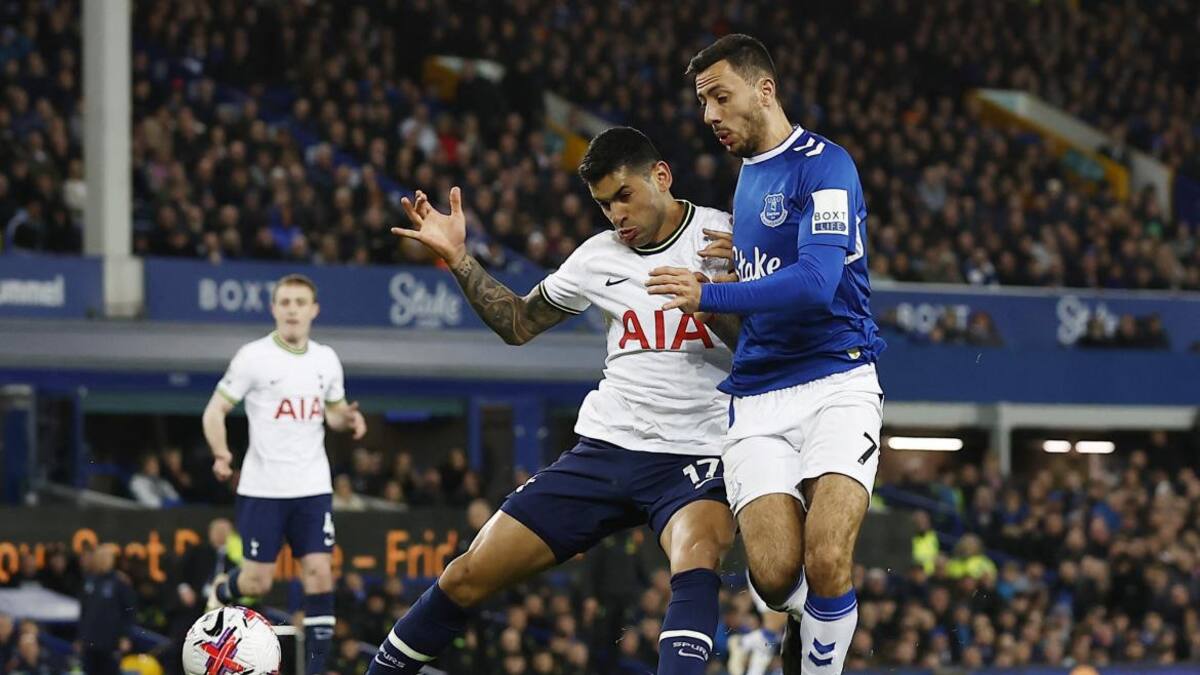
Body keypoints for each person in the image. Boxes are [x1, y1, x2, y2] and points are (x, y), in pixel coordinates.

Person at [367, 127, 738, 675]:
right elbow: (518, 324)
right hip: (607, 449)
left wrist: (713, 301)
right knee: (465, 575)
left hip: (699, 452)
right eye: (604, 204)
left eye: (624, 196)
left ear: (661, 176)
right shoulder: (596, 258)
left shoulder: (728, 236)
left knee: (697, 557)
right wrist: (459, 260)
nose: (617, 215)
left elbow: (779, 341)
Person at [647, 35, 886, 673]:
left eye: (720, 98)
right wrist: (741, 261)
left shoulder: (827, 165)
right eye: (703, 104)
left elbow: (817, 282)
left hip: (837, 379)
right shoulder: (749, 175)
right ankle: (810, 620)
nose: (710, 117)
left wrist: (713, 291)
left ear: (765, 89)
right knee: (778, 579)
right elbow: (777, 268)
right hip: (756, 396)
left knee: (828, 557)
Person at [201, 273, 367, 674]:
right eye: (285, 302)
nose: (293, 309)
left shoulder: (326, 359)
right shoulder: (253, 357)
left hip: (312, 486)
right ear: (274, 309)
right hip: (264, 488)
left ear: (314, 310)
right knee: (257, 582)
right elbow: (214, 411)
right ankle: (222, 591)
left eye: (300, 302)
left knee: (320, 574)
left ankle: (315, 669)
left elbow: (333, 411)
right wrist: (222, 453)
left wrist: (348, 420)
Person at [78, 544, 136, 675]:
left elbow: (129, 610)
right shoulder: (88, 581)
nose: (103, 560)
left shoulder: (119, 582)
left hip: (111, 641)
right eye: (100, 557)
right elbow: (83, 611)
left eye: (106, 557)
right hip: (90, 641)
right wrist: (80, 637)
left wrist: (126, 636)